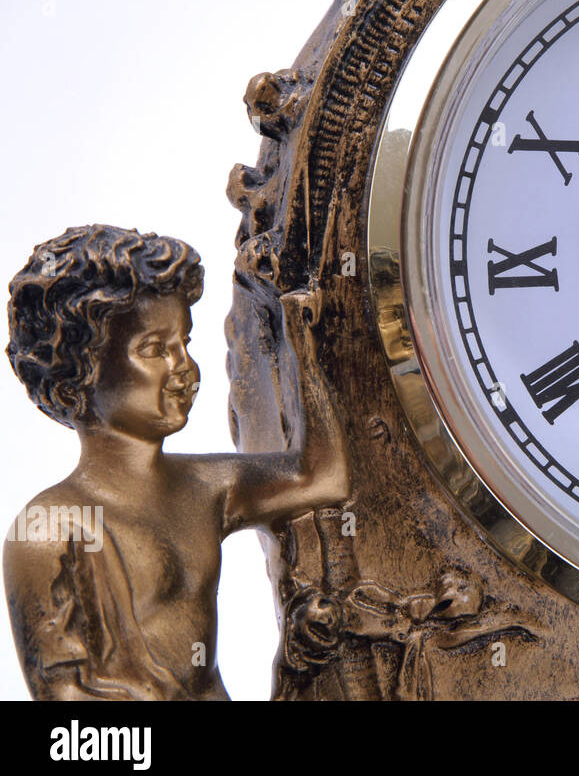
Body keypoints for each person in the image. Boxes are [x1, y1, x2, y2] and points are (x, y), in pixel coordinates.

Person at [3, 225, 348, 699]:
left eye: (184, 341)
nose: (183, 367)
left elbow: (323, 477)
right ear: (76, 380)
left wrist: (300, 340)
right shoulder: (49, 530)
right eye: (153, 350)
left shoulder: (208, 486)